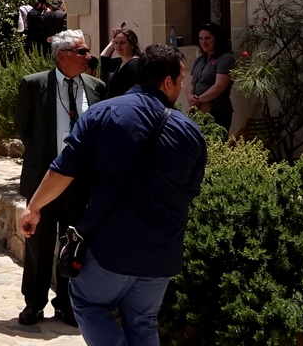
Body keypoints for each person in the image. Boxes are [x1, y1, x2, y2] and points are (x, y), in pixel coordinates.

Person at [18, 44, 207, 346]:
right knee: (143, 322)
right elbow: (190, 191)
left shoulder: (102, 114)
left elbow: (63, 170)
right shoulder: (189, 131)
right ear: (167, 82)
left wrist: (35, 207)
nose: (182, 86)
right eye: (181, 79)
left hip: (111, 247)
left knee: (89, 303)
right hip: (162, 250)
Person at [14, 29, 107, 326]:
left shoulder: (97, 87)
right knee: (38, 243)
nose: (88, 56)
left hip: (79, 183)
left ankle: (67, 304)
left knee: (73, 244)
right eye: (82, 52)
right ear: (62, 55)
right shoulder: (34, 84)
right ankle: (34, 302)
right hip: (45, 180)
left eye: (87, 51)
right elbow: (24, 129)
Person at [189, 23, 235, 130]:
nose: (203, 42)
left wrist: (199, 100)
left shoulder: (226, 58)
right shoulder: (199, 60)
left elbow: (219, 87)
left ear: (217, 39)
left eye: (207, 38)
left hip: (217, 112)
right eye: (201, 38)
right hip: (198, 110)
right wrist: (191, 98)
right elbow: (191, 82)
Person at [99, 26, 142, 99]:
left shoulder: (135, 64)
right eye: (116, 43)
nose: (118, 46)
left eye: (122, 43)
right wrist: (112, 41)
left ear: (132, 45)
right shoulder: (120, 61)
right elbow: (102, 63)